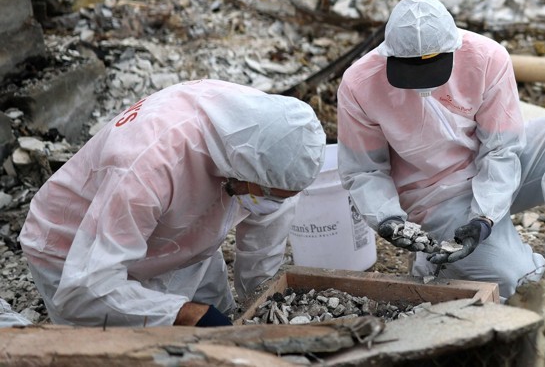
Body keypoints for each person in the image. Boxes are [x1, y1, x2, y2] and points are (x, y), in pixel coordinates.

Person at [337, 0, 545, 324]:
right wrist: (388, 219)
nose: (423, 85)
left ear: (452, 49)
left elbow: (502, 148)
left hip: (501, 167)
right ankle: (440, 263)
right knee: (523, 286)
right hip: (438, 196)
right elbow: (365, 170)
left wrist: (483, 219)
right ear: (389, 54)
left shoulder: (486, 57)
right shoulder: (359, 83)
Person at [19, 79, 326, 327]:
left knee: (222, 324)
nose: (268, 203)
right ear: (244, 168)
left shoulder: (261, 134)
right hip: (78, 254)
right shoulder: (148, 165)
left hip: (182, 242)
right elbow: (85, 290)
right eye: (267, 194)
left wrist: (259, 305)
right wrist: (185, 315)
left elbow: (267, 220)